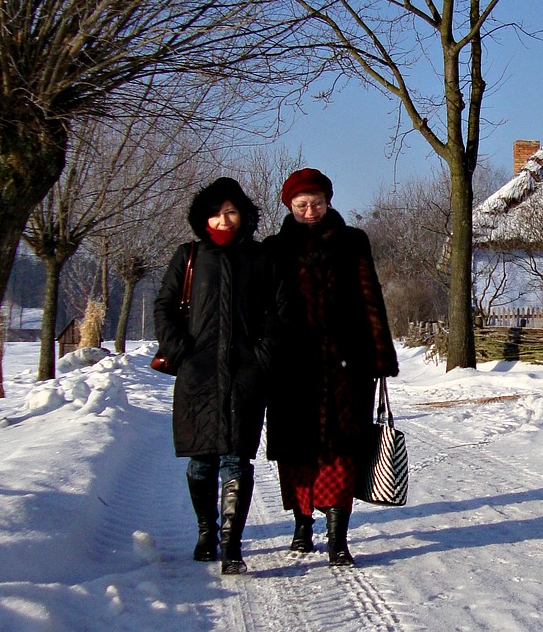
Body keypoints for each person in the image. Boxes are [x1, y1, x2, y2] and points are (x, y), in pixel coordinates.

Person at [263, 168, 398, 567]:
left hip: (346, 366)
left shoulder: (353, 242)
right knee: (297, 451)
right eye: (302, 204)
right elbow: (263, 308)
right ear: (289, 205)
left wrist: (379, 355)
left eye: (317, 203)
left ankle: (338, 539)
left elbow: (370, 296)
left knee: (342, 451)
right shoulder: (274, 248)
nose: (310, 211)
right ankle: (302, 526)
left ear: (329, 202)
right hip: (292, 367)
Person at [154, 177, 287, 575]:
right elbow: (164, 307)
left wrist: (263, 355)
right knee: (201, 460)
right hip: (199, 373)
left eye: (231, 211)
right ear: (203, 217)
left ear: (244, 215)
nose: (224, 219)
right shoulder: (189, 255)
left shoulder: (261, 258)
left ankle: (232, 543)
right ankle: (206, 531)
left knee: (236, 458)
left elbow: (279, 311)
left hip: (245, 373)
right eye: (216, 212)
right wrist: (181, 351)